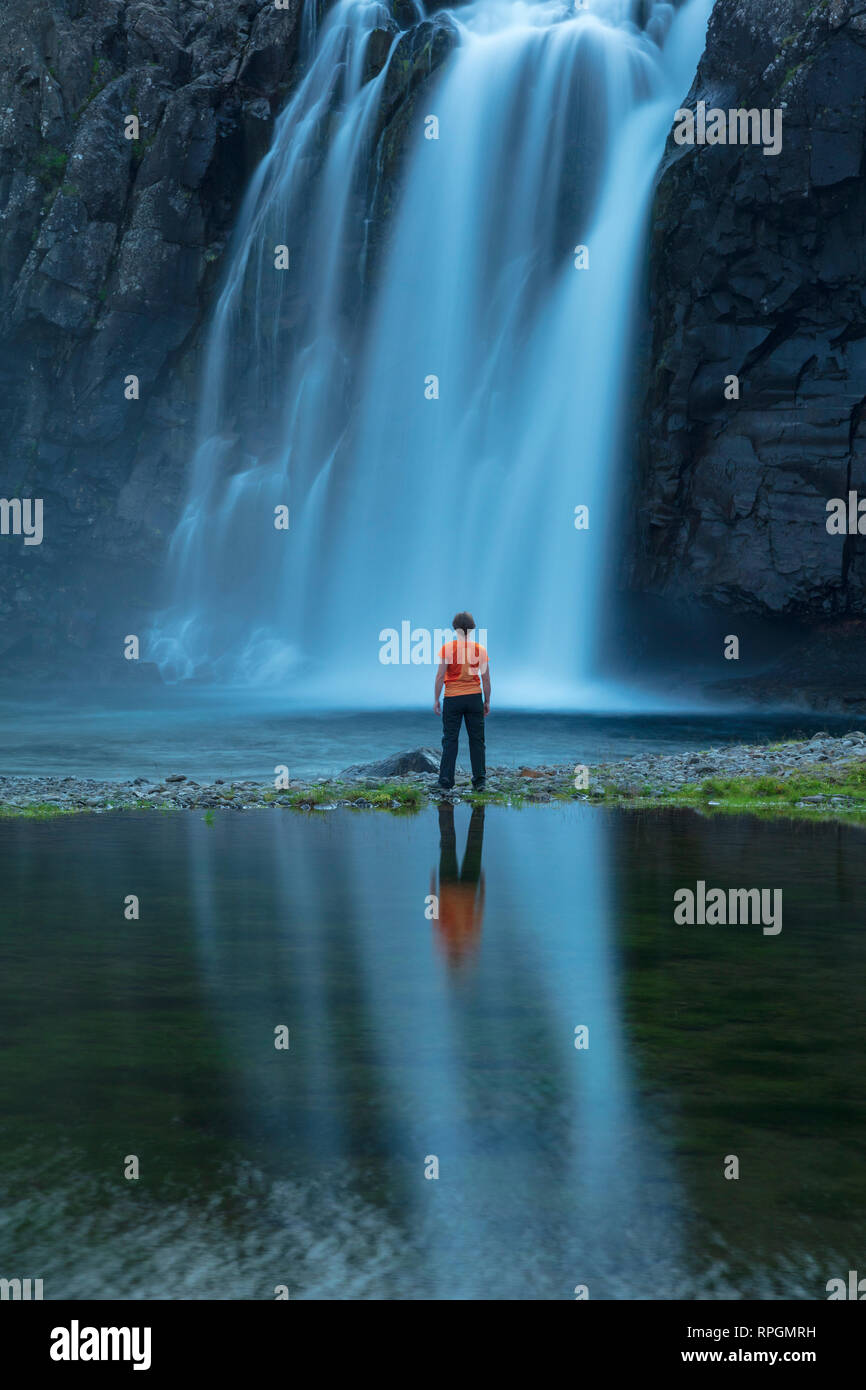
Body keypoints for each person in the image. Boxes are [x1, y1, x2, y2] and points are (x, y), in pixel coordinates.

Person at [433, 611, 490, 793]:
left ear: (455, 628)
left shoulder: (447, 649)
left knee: (450, 739)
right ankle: (480, 781)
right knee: (477, 740)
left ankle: (446, 780)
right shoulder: (480, 650)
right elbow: (486, 679)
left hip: (452, 698)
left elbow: (441, 676)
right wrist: (487, 701)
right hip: (474, 697)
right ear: (472, 628)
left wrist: (436, 699)